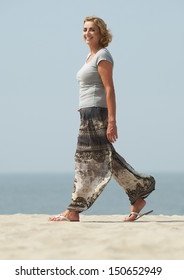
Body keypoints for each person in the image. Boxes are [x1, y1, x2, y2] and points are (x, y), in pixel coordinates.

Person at [49, 16, 155, 222]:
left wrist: (112, 121)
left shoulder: (103, 56)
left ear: (101, 34)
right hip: (87, 114)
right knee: (107, 159)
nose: (87, 33)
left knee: (85, 162)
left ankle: (74, 209)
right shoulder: (89, 57)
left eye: (92, 30)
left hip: (98, 114)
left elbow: (109, 89)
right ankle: (139, 194)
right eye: (85, 29)